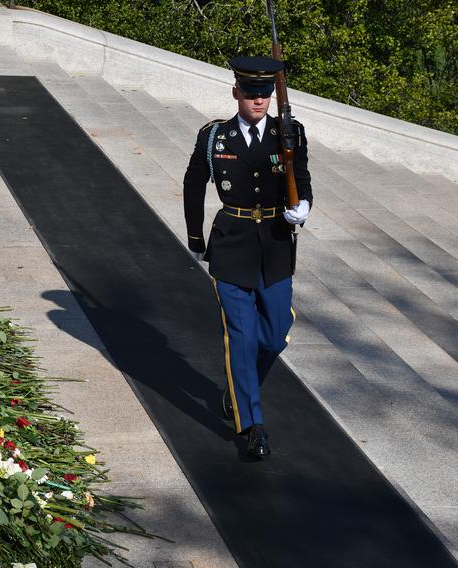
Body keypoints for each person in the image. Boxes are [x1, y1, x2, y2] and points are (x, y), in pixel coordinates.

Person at [183, 55, 313, 458]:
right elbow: (193, 182)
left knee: (274, 337)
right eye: (252, 94)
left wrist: (304, 205)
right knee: (240, 338)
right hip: (231, 245)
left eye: (265, 94)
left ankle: (240, 390)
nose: (259, 101)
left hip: (275, 244)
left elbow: (302, 177)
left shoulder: (288, 133)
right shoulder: (214, 137)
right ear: (237, 92)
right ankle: (252, 426)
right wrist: (195, 236)